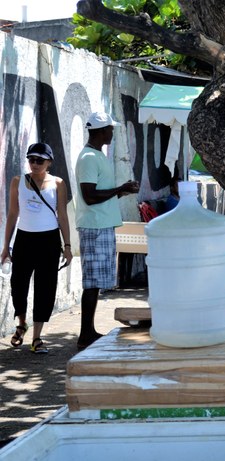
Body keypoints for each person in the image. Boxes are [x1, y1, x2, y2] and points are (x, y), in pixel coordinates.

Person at [75, 112, 140, 351]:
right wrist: (120, 188)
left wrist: (123, 191)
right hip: (94, 226)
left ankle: (88, 331)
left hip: (102, 225)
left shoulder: (98, 156)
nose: (112, 132)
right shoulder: (89, 158)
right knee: (91, 283)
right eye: (111, 129)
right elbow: (90, 196)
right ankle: (85, 334)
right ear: (102, 131)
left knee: (96, 282)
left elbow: (102, 192)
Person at [1, 143, 72, 354]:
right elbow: (13, 214)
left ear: (49, 162)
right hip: (24, 240)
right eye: (31, 159)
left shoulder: (58, 183)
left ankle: (37, 337)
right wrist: (6, 246)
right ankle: (21, 324)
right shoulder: (18, 182)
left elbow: (63, 216)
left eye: (39, 160)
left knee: (45, 287)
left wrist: (67, 246)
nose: (34, 164)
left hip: (49, 241)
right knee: (18, 285)